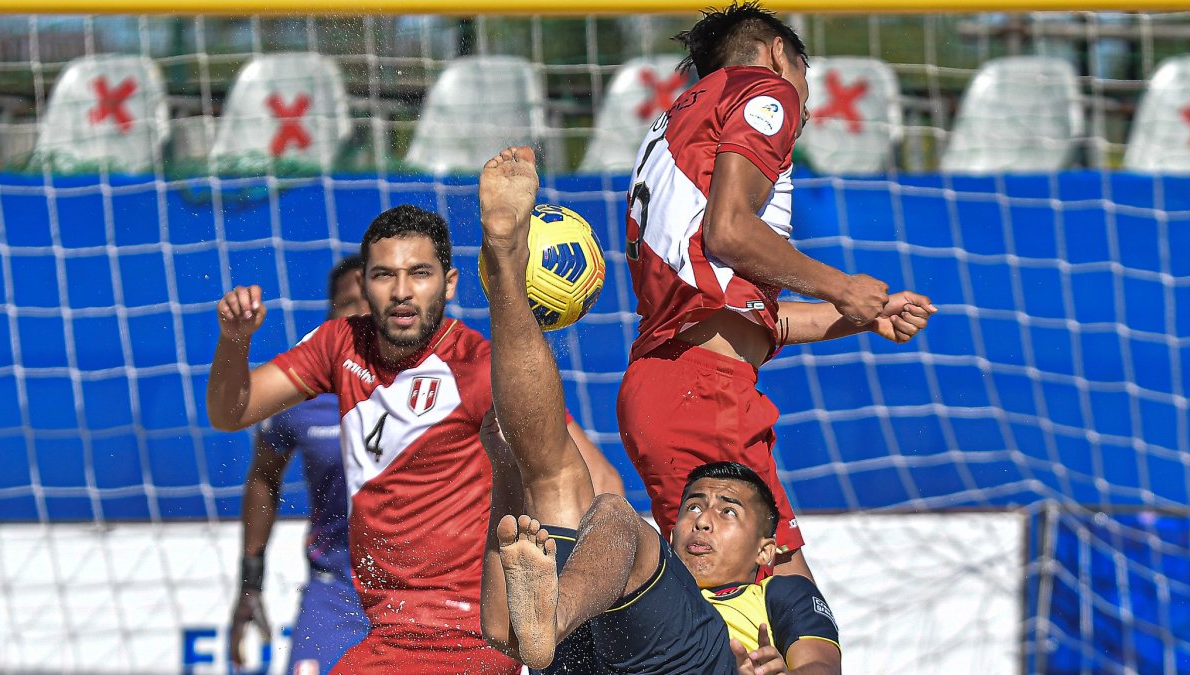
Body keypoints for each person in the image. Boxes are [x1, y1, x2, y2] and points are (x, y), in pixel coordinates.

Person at [206, 204, 619, 674]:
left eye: (420, 273)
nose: (402, 292)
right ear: (364, 284)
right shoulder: (338, 344)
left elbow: (602, 482)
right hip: (383, 626)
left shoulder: (482, 368)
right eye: (385, 275)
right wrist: (234, 341)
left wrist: (560, 613)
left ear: (450, 283)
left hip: (468, 635)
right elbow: (230, 412)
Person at [477, 145, 839, 674]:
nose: (701, 521)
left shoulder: (779, 594)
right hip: (601, 642)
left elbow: (823, 667)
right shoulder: (634, 581)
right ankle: (507, 264)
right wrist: (505, 474)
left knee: (613, 514)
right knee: (550, 475)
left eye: (727, 511)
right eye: (693, 506)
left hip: (704, 660)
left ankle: (552, 617)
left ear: (766, 550)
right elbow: (501, 628)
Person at [617, 1, 937, 577]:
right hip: (702, 396)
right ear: (776, 54)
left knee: (787, 619)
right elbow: (731, 230)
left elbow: (751, 316)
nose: (807, 105)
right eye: (806, 81)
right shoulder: (766, 89)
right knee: (770, 632)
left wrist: (864, 314)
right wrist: (843, 287)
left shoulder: (676, 122)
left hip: (673, 387)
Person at [227, 255, 370, 674]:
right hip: (335, 591)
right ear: (331, 316)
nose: (361, 313)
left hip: (419, 590)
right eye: (349, 304)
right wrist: (250, 584)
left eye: (370, 301)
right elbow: (263, 478)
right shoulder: (302, 397)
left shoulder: (434, 388)